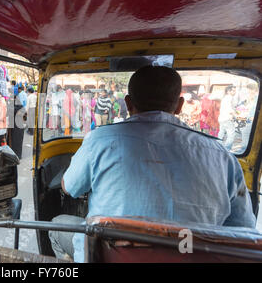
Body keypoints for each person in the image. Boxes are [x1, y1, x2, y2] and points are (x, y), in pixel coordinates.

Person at [49, 66, 256, 263]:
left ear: (128, 103)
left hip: (108, 257)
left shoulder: (99, 140)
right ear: (180, 105)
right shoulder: (223, 156)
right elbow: (242, 231)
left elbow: (69, 187)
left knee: (58, 226)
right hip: (190, 256)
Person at [218, 85, 237, 150]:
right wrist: (236, 115)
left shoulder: (225, 98)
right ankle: (227, 149)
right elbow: (229, 109)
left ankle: (218, 147)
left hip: (221, 118)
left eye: (235, 91)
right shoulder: (229, 97)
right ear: (228, 91)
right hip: (227, 119)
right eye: (233, 91)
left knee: (221, 133)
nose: (235, 92)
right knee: (231, 135)